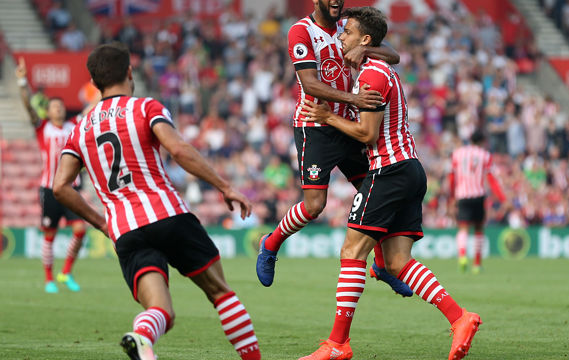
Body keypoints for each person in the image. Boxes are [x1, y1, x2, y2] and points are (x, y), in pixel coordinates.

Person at [52, 43, 260, 360]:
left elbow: (60, 186)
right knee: (220, 292)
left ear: (94, 83)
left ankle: (141, 338)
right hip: (166, 213)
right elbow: (178, 150)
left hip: (125, 229)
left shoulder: (79, 129)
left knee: (161, 311)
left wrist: (102, 223)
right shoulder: (146, 107)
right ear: (130, 72)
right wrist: (224, 186)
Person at [299, 8, 481, 360]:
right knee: (398, 262)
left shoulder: (372, 75)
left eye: (348, 32)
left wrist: (328, 117)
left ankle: (337, 344)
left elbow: (367, 134)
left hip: (388, 171)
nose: (341, 36)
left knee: (352, 252)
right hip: (410, 169)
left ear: (365, 40)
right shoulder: (383, 68)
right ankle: (460, 318)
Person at [256, 0, 410, 298]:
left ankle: (380, 264)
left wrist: (365, 49)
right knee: (315, 206)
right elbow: (310, 84)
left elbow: (394, 55)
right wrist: (353, 100)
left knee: (373, 191)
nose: (337, 1)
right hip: (315, 125)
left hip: (345, 124)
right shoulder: (301, 32)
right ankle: (271, 243)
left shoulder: (348, 28)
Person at [15, 57, 87, 294]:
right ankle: (49, 278)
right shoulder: (42, 127)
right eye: (56, 106)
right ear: (48, 110)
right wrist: (23, 81)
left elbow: (91, 108)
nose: (60, 109)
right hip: (49, 188)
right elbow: (27, 106)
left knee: (80, 229)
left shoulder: (73, 126)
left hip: (70, 187)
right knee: (50, 235)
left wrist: (104, 84)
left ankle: (65, 272)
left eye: (62, 106)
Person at [449, 130, 506, 274]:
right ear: (481, 142)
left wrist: (451, 196)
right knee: (479, 229)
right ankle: (477, 263)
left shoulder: (458, 153)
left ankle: (462, 256)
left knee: (463, 228)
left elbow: (452, 177)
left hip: (462, 195)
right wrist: (502, 198)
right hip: (478, 195)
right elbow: (491, 179)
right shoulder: (485, 155)